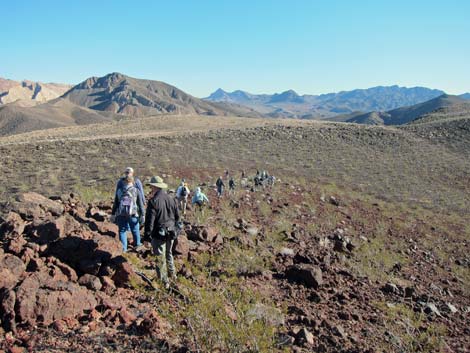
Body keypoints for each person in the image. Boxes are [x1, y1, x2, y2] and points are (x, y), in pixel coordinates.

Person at [144, 176, 180, 289]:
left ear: (154, 187)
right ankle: (173, 276)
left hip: (159, 234)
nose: (150, 188)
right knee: (169, 254)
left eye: (151, 186)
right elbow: (178, 217)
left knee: (160, 257)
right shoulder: (171, 199)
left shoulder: (153, 201)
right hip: (172, 232)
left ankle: (164, 283)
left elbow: (150, 221)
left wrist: (146, 237)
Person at [111, 175, 145, 252]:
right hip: (133, 214)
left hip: (121, 214)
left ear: (124, 182)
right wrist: (143, 214)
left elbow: (116, 204)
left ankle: (124, 249)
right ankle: (137, 245)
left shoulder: (119, 190)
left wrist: (113, 214)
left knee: (122, 231)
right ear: (132, 182)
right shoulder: (136, 190)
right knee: (135, 230)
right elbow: (140, 204)